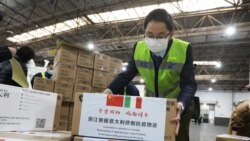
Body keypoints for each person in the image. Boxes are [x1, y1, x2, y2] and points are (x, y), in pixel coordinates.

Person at [103, 9, 196, 141]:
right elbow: (126, 75)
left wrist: (180, 105)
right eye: (150, 35)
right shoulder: (139, 48)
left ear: (171, 33)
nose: (154, 40)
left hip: (177, 105)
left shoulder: (184, 49)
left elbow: (189, 84)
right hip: (151, 103)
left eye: (160, 36)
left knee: (176, 137)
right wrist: (107, 91)